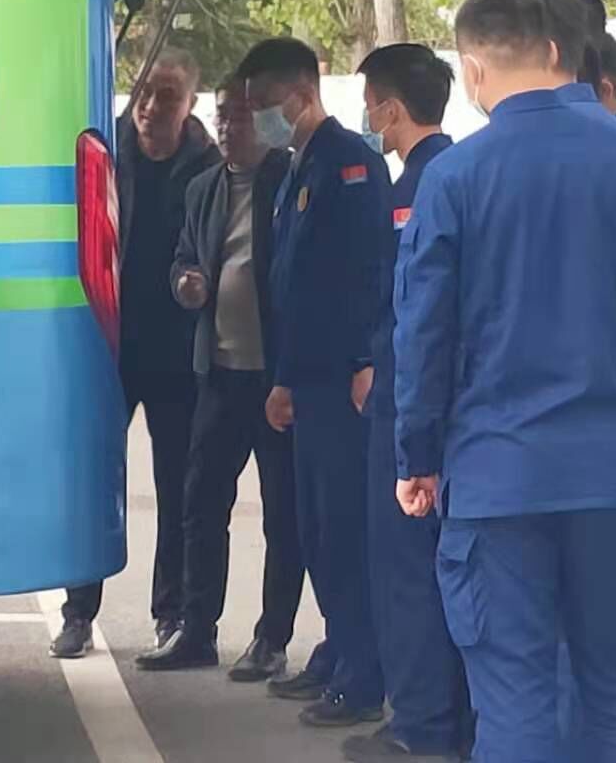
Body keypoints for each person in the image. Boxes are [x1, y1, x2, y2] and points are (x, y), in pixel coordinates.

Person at [394, 0, 616, 763]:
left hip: (499, 476)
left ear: (472, 70)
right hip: (611, 474)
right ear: (556, 52)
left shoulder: (456, 176)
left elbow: (423, 333)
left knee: (515, 699)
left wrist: (417, 456)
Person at [238, 36, 390, 729]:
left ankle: (362, 673)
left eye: (267, 103)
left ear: (303, 94)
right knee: (316, 527)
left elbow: (365, 274)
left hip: (340, 379)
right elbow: (292, 284)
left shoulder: (349, 163)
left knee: (343, 528)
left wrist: (362, 359)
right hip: (307, 378)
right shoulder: (296, 167)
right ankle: (338, 647)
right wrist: (285, 378)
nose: (260, 117)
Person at [51, 48, 221, 660]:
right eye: (144, 91)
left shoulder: (208, 169)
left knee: (178, 489)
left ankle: (169, 614)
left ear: (190, 105)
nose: (150, 106)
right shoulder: (107, 151)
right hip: (109, 347)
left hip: (177, 353)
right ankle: (78, 612)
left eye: (167, 96)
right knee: (92, 480)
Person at [136, 77, 304, 679]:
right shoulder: (204, 187)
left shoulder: (290, 179)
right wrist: (186, 282)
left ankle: (272, 638)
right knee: (201, 504)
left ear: (268, 121)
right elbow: (185, 256)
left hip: (275, 377)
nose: (229, 128)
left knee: (283, 512)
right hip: (220, 371)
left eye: (240, 116)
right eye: (222, 116)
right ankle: (196, 629)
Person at [345, 45, 474, 762]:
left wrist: (379, 374)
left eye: (372, 104)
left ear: (391, 109)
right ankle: (448, 717)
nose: (368, 117)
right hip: (445, 400)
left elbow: (409, 309)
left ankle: (421, 725)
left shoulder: (419, 187)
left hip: (406, 400)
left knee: (405, 568)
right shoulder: (460, 174)